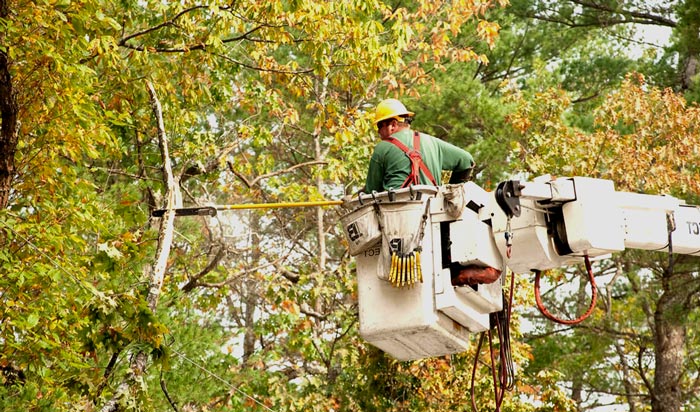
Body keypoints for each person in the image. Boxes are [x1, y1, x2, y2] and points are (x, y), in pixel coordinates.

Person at [363, 98, 475, 193]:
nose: (378, 132)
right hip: (432, 213)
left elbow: (371, 192)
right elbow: (466, 160)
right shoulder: (433, 142)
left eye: (379, 126)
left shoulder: (382, 147)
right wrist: (450, 192)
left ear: (392, 125)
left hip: (394, 214)